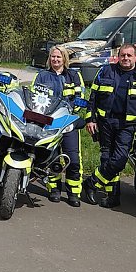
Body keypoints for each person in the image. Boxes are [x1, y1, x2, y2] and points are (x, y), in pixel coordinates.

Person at [84, 43, 136, 208]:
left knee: (120, 159)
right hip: (105, 121)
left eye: (129, 55)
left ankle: (91, 182)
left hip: (128, 125)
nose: (126, 58)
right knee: (107, 157)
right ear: (118, 56)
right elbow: (93, 97)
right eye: (123, 55)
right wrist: (90, 119)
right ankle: (113, 197)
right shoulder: (105, 71)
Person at [36, 45, 85, 207]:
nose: (55, 60)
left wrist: (71, 113)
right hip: (49, 123)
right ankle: (54, 190)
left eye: (58, 57)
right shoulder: (42, 76)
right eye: (52, 57)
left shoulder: (74, 75)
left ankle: (73, 192)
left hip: (68, 122)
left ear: (64, 58)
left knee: (73, 158)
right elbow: (35, 98)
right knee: (52, 157)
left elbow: (80, 96)